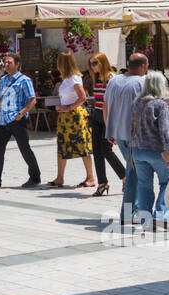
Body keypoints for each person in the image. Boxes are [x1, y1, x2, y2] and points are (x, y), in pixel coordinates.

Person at [104, 53, 149, 220]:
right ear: (143, 66)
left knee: (133, 172)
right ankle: (129, 212)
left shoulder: (114, 80)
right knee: (133, 174)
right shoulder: (142, 82)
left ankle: (133, 210)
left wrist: (109, 130)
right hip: (135, 135)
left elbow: (106, 106)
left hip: (118, 133)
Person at [0, 52, 41, 189]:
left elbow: (32, 100)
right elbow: (1, 98)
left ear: (17, 64)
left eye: (9, 62)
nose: (6, 65)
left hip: (17, 120)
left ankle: (35, 177)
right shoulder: (3, 80)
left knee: (25, 149)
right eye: (5, 62)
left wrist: (22, 113)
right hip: (2, 121)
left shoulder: (25, 80)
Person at [130, 70, 169, 231]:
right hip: (157, 151)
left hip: (138, 150)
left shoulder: (137, 103)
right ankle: (161, 217)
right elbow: (165, 131)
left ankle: (146, 222)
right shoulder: (160, 104)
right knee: (167, 183)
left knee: (144, 186)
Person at [83, 52, 126, 197]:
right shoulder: (96, 78)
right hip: (97, 116)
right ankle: (102, 183)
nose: (93, 67)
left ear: (103, 62)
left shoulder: (112, 78)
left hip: (109, 117)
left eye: (95, 63)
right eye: (91, 64)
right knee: (96, 151)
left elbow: (116, 101)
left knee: (106, 150)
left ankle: (125, 177)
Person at [50, 51, 94, 189]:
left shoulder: (74, 78)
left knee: (82, 146)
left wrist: (68, 107)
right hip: (66, 117)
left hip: (74, 117)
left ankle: (91, 177)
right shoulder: (67, 79)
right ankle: (59, 178)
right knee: (62, 145)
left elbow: (82, 97)